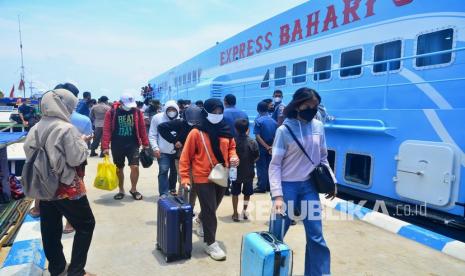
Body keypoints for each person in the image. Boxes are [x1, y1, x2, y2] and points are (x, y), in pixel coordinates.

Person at [23, 88, 95, 276]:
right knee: (86, 225)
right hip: (65, 187)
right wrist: (83, 143)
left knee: (50, 228)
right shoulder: (66, 128)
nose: (71, 111)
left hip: (44, 187)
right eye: (70, 107)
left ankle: (57, 268)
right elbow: (76, 159)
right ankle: (76, 271)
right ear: (64, 106)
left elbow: (30, 153)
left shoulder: (35, 128)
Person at [269, 87, 337, 276]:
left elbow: (323, 158)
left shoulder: (318, 127)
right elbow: (274, 165)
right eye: (308, 105)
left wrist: (332, 180)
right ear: (298, 105)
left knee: (316, 236)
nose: (313, 109)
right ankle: (270, 271)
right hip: (286, 187)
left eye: (315, 106)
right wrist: (278, 196)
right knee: (276, 236)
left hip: (309, 187)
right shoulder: (284, 130)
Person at [179, 98, 239, 261]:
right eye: (214, 112)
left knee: (213, 207)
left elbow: (232, 147)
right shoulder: (196, 132)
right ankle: (210, 243)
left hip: (221, 173)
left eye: (220, 112)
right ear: (206, 112)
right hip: (202, 176)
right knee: (210, 210)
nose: (217, 115)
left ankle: (199, 219)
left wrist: (233, 157)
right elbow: (185, 157)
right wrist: (185, 177)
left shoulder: (226, 129)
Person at [102, 93, 150, 200]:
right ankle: (121, 190)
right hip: (117, 144)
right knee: (119, 169)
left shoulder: (137, 111)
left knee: (135, 167)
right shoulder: (112, 112)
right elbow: (106, 130)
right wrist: (105, 146)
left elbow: (142, 128)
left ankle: (133, 189)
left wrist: (145, 143)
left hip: (133, 144)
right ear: (121, 102)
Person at [158, 105, 202, 207]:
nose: (193, 122)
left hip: (197, 156)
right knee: (184, 182)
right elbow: (161, 127)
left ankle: (190, 207)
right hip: (181, 155)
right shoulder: (180, 123)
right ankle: (182, 206)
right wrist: (174, 141)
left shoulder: (202, 124)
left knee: (195, 184)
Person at [149, 100, 180, 196]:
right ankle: (163, 192)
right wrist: (155, 148)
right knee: (163, 170)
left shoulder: (181, 119)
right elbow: (152, 135)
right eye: (169, 109)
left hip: (177, 151)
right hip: (162, 151)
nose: (171, 111)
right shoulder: (157, 118)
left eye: (173, 109)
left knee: (174, 171)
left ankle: (172, 188)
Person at [231, 118, 259, 222]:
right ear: (248, 129)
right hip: (249, 171)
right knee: (247, 193)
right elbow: (256, 157)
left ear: (236, 129)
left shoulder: (233, 141)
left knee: (235, 192)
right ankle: (244, 212)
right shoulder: (252, 142)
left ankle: (235, 213)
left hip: (235, 172)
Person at [253, 101, 277, 193]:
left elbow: (257, 136)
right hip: (271, 148)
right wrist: (271, 147)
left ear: (258, 110)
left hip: (262, 148)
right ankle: (268, 186)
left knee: (261, 167)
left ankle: (261, 186)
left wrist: (266, 147)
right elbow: (276, 136)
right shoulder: (274, 121)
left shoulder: (258, 121)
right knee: (269, 167)